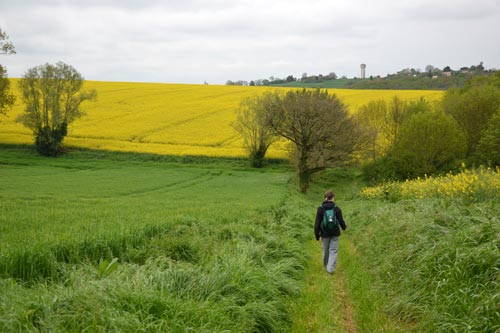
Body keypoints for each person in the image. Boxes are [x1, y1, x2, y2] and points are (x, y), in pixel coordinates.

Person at [314, 189, 347, 274]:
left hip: (324, 233)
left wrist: (317, 234)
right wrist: (344, 227)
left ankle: (326, 266)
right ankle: (330, 269)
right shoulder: (337, 209)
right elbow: (341, 220)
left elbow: (317, 222)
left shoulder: (320, 209)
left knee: (325, 250)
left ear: (325, 198)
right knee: (333, 250)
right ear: (332, 198)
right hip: (335, 233)